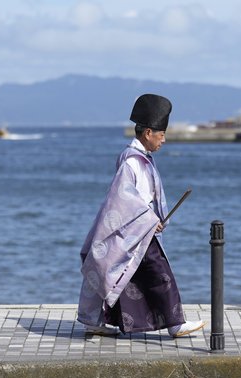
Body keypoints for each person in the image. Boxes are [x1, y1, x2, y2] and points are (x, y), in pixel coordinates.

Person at [77, 94, 206, 337]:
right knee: (160, 275)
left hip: (140, 228)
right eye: (161, 134)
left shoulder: (141, 158)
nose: (164, 140)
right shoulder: (132, 161)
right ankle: (175, 325)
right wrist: (149, 219)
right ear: (148, 133)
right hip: (135, 230)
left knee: (117, 272)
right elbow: (123, 199)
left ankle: (94, 321)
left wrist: (152, 219)